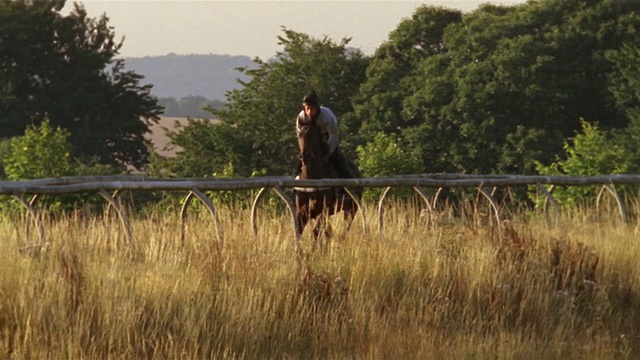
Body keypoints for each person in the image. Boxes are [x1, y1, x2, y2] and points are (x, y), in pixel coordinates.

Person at [296, 91, 352, 178]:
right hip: (311, 138)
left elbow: (333, 136)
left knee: (338, 159)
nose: (309, 112)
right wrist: (303, 152)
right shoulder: (301, 118)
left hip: (327, 136)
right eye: (307, 109)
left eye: (312, 109)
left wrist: (327, 153)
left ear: (317, 108)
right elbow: (300, 136)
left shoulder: (327, 117)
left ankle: (350, 182)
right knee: (300, 164)